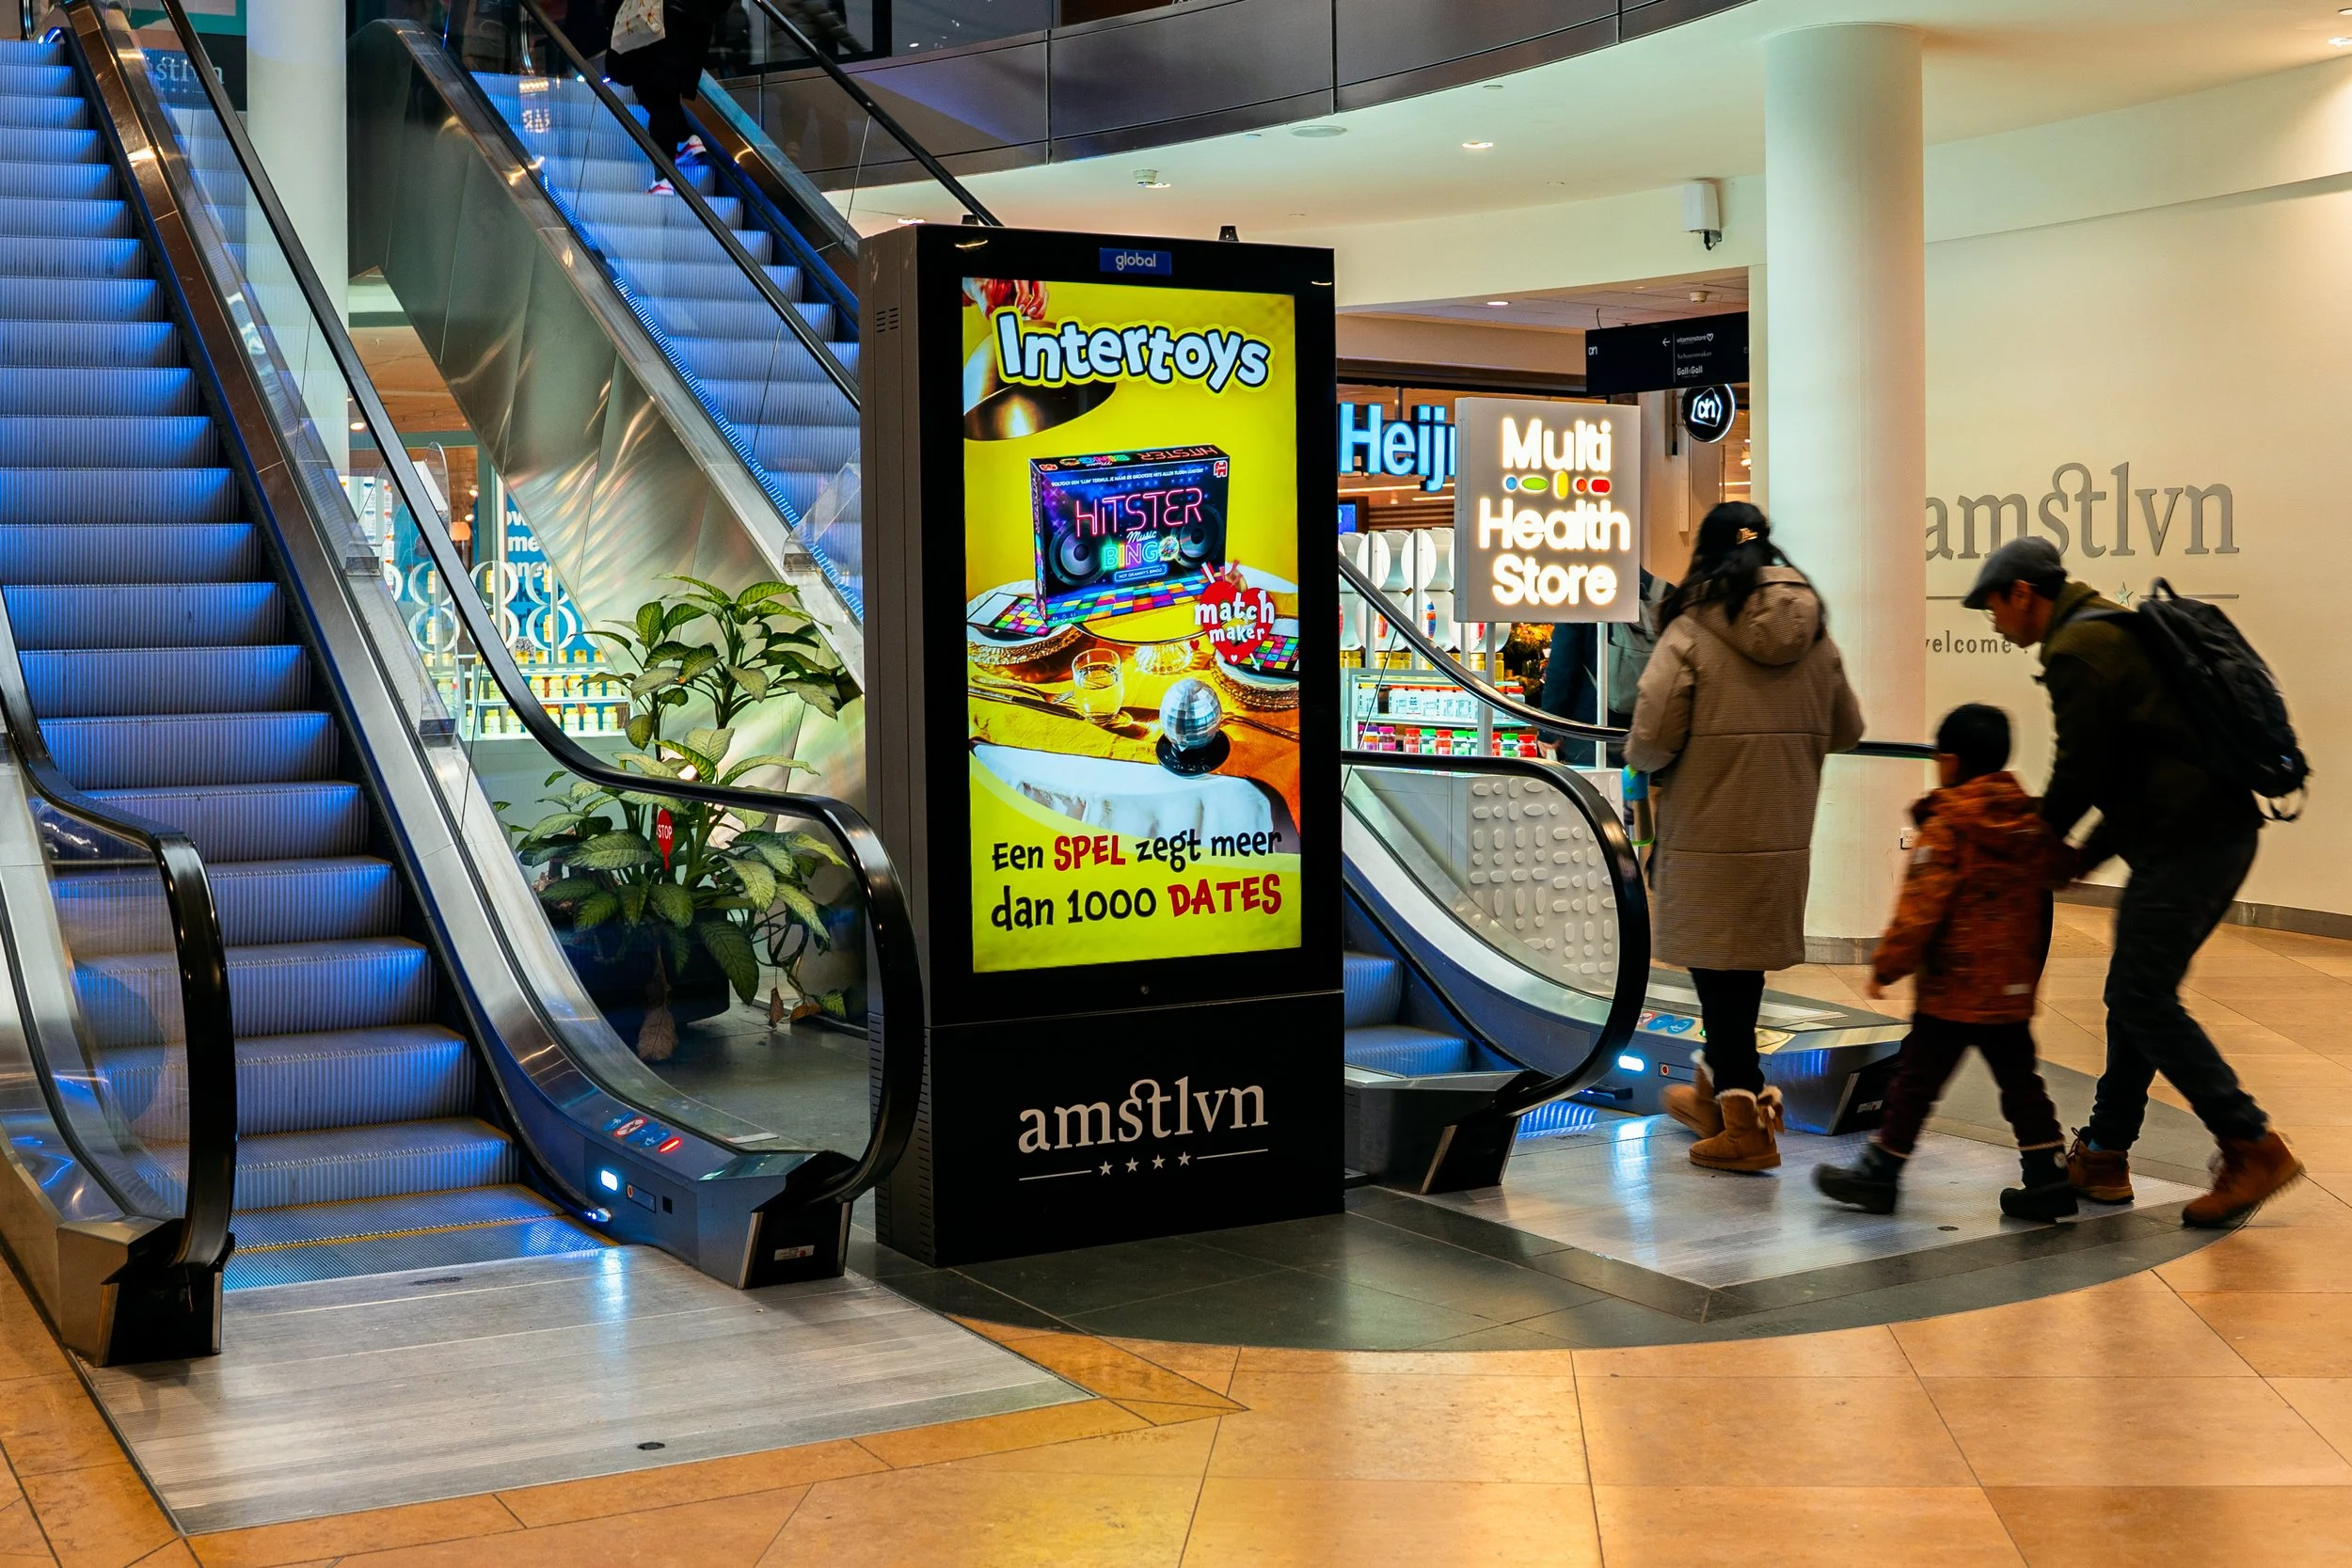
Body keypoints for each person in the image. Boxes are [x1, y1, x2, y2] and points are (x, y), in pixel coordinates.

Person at [1968, 536, 2302, 1227]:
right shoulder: (2111, 631)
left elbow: (2081, 772)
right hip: (2206, 832)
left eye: (1994, 607)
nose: (1995, 624)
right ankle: (2106, 1149)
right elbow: (2132, 766)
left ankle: (2251, 1142)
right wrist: (2082, 854)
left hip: (2189, 840)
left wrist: (2036, 846)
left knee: (2140, 994)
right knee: (2135, 994)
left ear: (2024, 594)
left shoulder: (2076, 651)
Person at [1628, 502, 1865, 1171]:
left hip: (1706, 827)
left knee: (1717, 976)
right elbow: (1847, 725)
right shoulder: (1815, 629)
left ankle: (1744, 1121)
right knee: (1742, 973)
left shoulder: (1692, 629)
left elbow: (1649, 738)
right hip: (1782, 827)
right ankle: (1715, 1096)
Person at [1814, 704, 2078, 1220]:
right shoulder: (2026, 821)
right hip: (2008, 990)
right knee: (2022, 1084)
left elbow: (1922, 907)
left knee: (1915, 1082)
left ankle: (1879, 1174)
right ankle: (2048, 1177)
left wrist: (1888, 963)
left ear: (1950, 761)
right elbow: (2060, 870)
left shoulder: (1949, 824)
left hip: (1952, 991)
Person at [605, 0, 729, 192]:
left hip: (661, 20)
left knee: (655, 91)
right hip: (695, 26)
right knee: (663, 89)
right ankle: (685, 139)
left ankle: (664, 178)